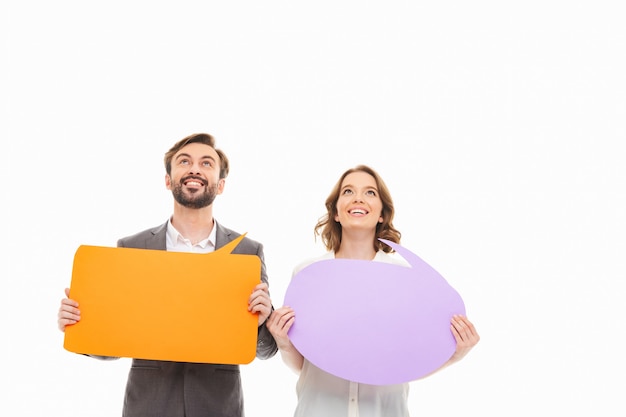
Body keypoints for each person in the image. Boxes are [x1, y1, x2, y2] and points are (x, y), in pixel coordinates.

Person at [57, 133, 278, 417]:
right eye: (184, 161)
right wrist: (82, 327)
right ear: (168, 179)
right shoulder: (132, 248)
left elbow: (266, 351)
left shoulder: (248, 251)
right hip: (149, 405)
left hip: (218, 407)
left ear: (220, 185)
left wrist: (263, 321)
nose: (195, 168)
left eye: (206, 163)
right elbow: (115, 342)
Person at [267, 164, 480, 417]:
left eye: (370, 193)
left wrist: (455, 354)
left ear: (381, 213)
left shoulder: (407, 280)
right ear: (336, 212)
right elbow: (306, 366)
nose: (358, 197)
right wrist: (283, 341)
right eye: (348, 191)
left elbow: (409, 365)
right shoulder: (307, 275)